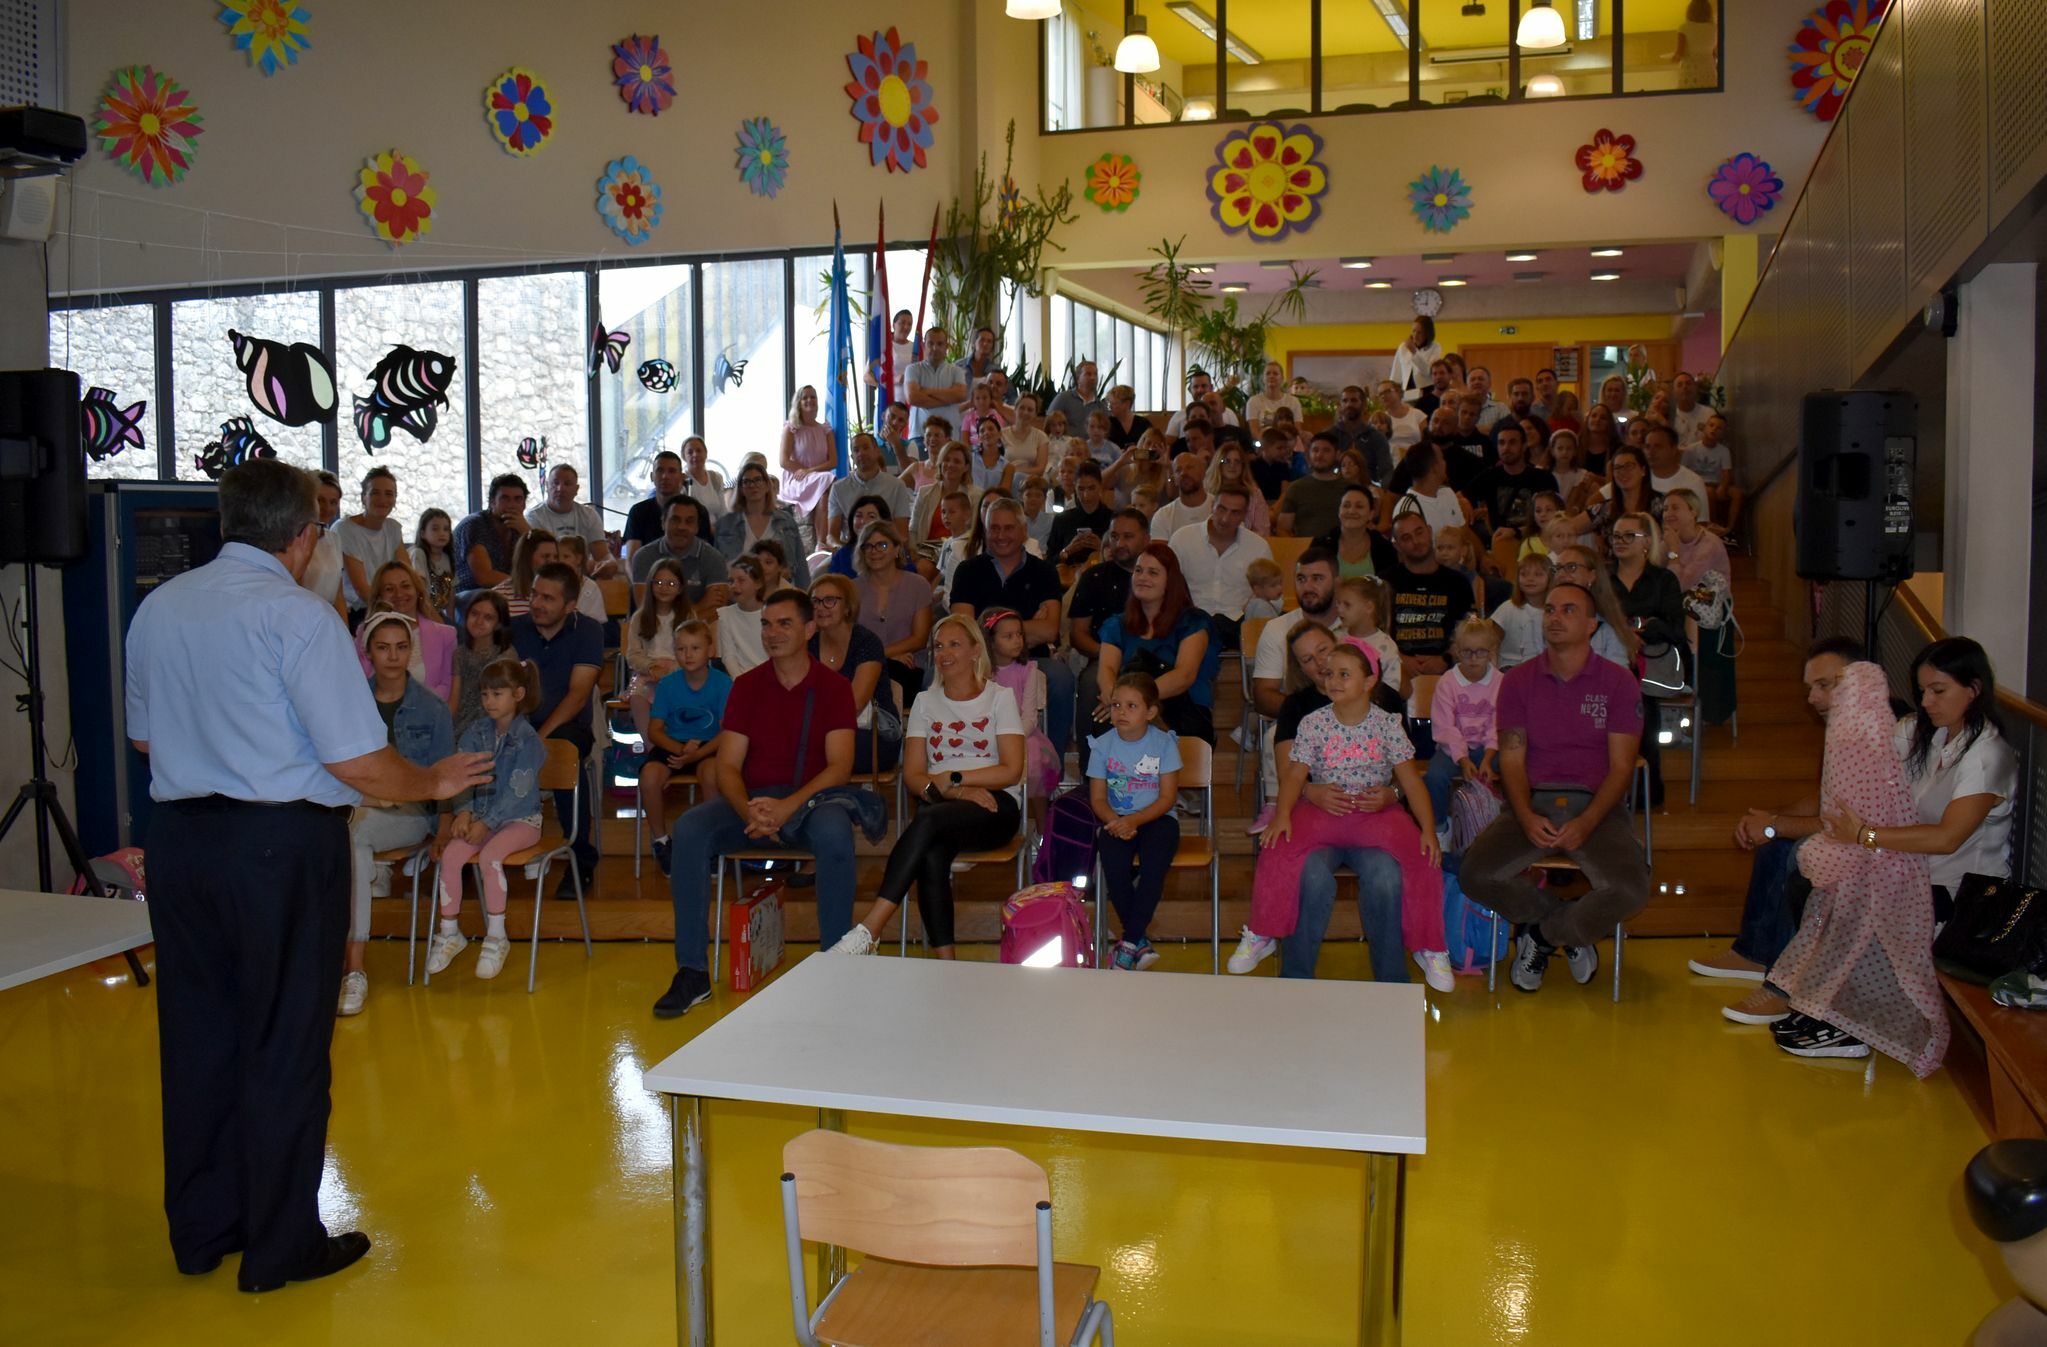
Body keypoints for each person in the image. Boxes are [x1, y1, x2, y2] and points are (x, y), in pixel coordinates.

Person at [125, 458, 490, 1293]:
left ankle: (203, 1229)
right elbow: (359, 760)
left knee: (198, 1039)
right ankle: (281, 1244)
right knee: (285, 1041)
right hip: (278, 847)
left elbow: (146, 741)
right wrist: (432, 782)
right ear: (304, 535)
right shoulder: (297, 617)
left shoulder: (159, 608)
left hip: (181, 841)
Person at [656, 589, 861, 1015]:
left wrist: (788, 808)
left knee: (837, 834)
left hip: (812, 802)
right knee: (690, 828)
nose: (771, 632)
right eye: (766, 623)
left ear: (809, 629)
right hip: (753, 802)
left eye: (784, 623)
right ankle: (692, 972)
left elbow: (839, 767)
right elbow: (728, 764)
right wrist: (748, 807)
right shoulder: (747, 686)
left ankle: (837, 966)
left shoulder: (834, 688)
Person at [1461, 582, 1650, 993]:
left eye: (1568, 610)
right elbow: (1511, 757)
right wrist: (1526, 814)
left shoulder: (1619, 683)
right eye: (1549, 610)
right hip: (1532, 802)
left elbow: (1621, 768)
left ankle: (1547, 936)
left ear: (1592, 624)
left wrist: (1587, 822)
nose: (1555, 617)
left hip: (1596, 807)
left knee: (1632, 890)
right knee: (1474, 875)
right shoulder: (1517, 682)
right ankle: (1564, 924)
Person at [1237, 639, 1451, 989]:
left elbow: (1411, 782)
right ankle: (1263, 932)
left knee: (1425, 855)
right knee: (1276, 846)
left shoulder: (1387, 724)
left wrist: (1427, 829)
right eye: (1329, 673)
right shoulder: (1312, 723)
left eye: (1344, 674)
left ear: (1369, 682)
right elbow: (1295, 773)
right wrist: (1282, 814)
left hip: (1374, 815)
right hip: (1323, 812)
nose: (1333, 680)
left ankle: (1430, 946)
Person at [1767, 661, 1948, 1068]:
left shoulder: (1973, 753)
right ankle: (1827, 1008)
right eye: (1924, 692)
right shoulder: (1899, 734)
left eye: (1938, 691)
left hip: (1933, 872)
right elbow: (1845, 813)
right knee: (1823, 891)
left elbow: (1941, 835)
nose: (1927, 701)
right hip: (1891, 854)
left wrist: (1864, 839)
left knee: (1855, 904)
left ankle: (1844, 1019)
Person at [830, 615, 1026, 958]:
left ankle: (871, 929)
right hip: (943, 803)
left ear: (976, 651)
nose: (944, 653)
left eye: (954, 644)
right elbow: (915, 776)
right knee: (932, 849)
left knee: (929, 821)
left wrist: (955, 779)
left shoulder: (1000, 697)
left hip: (996, 806)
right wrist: (954, 791)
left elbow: (1011, 770)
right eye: (937, 646)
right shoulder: (924, 702)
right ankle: (945, 964)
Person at [1687, 638, 1861, 1018]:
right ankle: (1756, 953)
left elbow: (1848, 822)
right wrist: (1770, 818)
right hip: (1852, 839)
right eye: (1810, 688)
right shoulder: (1844, 732)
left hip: (1875, 848)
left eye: (1824, 686)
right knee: (1777, 843)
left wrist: (1777, 825)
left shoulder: (1880, 735)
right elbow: (1824, 797)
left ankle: (1785, 985)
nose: (1813, 699)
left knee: (1794, 852)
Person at [340, 610, 455, 1016]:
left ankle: (354, 970)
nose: (393, 656)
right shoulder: (350, 704)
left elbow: (444, 780)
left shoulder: (432, 708)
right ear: (369, 653)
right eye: (383, 648)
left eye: (401, 647)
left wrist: (443, 831)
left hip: (409, 813)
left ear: (411, 652)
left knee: (353, 838)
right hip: (354, 805)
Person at [426, 655, 548, 982]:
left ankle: (496, 936)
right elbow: (461, 774)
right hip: (482, 819)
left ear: (518, 695)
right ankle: (450, 931)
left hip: (522, 820)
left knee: (490, 858)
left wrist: (486, 823)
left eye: (497, 694)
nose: (488, 701)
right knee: (451, 856)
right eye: (484, 694)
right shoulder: (475, 732)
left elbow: (517, 793)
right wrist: (464, 811)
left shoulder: (528, 740)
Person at [950, 498, 1074, 758]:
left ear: (1023, 531)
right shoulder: (967, 571)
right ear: (985, 530)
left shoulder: (1044, 572)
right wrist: (1023, 630)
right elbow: (962, 631)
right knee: (933, 679)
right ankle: (954, 763)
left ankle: (1052, 765)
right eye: (994, 528)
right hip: (978, 662)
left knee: (1062, 679)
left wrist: (988, 630)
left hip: (1034, 659)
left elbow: (1050, 631)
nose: (1001, 535)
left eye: (1008, 528)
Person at [510, 564, 603, 893]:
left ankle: (581, 858)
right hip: (517, 722)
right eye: (534, 593)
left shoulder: (588, 630)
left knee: (564, 752)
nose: (536, 603)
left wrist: (538, 738)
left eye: (548, 598)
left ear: (570, 605)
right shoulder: (515, 628)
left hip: (566, 726)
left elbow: (578, 696)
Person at [1088, 672, 1183, 972]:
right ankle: (1137, 943)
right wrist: (1117, 822)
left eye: (1131, 706)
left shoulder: (1164, 743)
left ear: (1150, 712)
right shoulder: (1102, 746)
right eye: (1116, 705)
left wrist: (1135, 821)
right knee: (1114, 868)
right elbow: (1098, 799)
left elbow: (1167, 798)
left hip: (1157, 819)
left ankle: (1128, 942)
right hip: (1116, 820)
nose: (1121, 712)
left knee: (1154, 867)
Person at [1093, 542, 1218, 746]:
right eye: (1139, 571)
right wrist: (1118, 702)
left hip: (1183, 710)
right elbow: (1106, 669)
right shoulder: (1117, 624)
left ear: (1170, 581)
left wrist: (1134, 701)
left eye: (1153, 573)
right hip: (1131, 708)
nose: (1142, 578)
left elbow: (1184, 675)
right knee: (1102, 720)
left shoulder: (1194, 621)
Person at [640, 621, 730, 875]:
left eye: (695, 648)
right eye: (681, 649)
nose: (688, 655)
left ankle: (714, 841)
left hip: (708, 745)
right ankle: (661, 842)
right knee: (649, 778)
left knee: (712, 774)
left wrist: (698, 753)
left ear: (710, 651)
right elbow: (655, 731)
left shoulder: (723, 684)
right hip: (674, 743)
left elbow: (727, 732)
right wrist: (681, 750)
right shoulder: (668, 684)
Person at [809, 573, 900, 775]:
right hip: (820, 732)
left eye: (830, 600)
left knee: (805, 753)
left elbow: (854, 705)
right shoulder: (808, 644)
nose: (820, 607)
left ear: (848, 607)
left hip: (872, 734)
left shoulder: (867, 642)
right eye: (815, 601)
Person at [1423, 617, 1504, 834]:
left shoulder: (1499, 682)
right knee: (1435, 776)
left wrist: (1488, 758)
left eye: (1481, 652)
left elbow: (1496, 724)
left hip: (1487, 749)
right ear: (1457, 650)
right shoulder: (1447, 682)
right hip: (1452, 750)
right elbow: (1445, 728)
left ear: (1492, 651)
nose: (1474, 658)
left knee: (1514, 767)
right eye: (1467, 652)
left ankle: (1503, 825)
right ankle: (1440, 827)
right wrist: (1463, 758)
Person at [1170, 485, 1270, 652]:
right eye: (1221, 509)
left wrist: (1254, 603)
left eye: (1235, 512)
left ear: (1245, 515)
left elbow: (1272, 593)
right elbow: (1168, 585)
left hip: (1237, 623)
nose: (1225, 518)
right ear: (1212, 507)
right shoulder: (1182, 539)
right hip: (1190, 619)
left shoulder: (1258, 547)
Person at [1382, 511, 1476, 683]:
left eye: (1419, 532)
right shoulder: (1385, 582)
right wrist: (1399, 658)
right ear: (1397, 546)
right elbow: (1373, 632)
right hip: (1395, 673)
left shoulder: (1458, 582)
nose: (1416, 541)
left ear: (1429, 531)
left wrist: (1445, 659)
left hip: (1449, 673)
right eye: (1406, 537)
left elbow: (1472, 629)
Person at [852, 519, 934, 708]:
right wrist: (884, 656)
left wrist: (882, 655)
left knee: (891, 677)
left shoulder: (918, 585)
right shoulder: (852, 589)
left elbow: (919, 639)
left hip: (907, 667)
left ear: (897, 550)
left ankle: (890, 732)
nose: (875, 551)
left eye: (882, 545)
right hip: (861, 665)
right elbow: (848, 636)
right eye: (868, 546)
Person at [984, 608, 1060, 802]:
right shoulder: (983, 672)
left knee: (1035, 761)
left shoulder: (1028, 670)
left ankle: (1042, 829)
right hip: (988, 732)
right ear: (991, 642)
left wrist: (1011, 737)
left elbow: (1030, 717)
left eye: (1019, 634)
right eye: (1008, 636)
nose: (1017, 640)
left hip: (1023, 733)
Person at [357, 561, 455, 701]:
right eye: (389, 589)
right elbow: (360, 684)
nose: (399, 594)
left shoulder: (446, 635)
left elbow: (446, 687)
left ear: (418, 591)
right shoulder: (363, 633)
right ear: (379, 597)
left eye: (406, 586)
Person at [716, 460, 812, 588]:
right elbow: (718, 567)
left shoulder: (786, 521)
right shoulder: (726, 523)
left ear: (767, 485)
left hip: (780, 592)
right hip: (739, 593)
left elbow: (800, 565)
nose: (752, 485)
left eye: (758, 480)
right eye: (747, 481)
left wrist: (805, 597)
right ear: (740, 488)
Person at [1467, 423, 1560, 541]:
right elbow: (1462, 497)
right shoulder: (1489, 476)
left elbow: (1557, 518)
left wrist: (1516, 532)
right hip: (1501, 544)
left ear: (1524, 446)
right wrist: (1467, 507)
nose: (1506, 447)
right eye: (1501, 442)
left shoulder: (1543, 478)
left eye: (1512, 442)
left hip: (1537, 541)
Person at [334, 466, 403, 620]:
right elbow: (361, 588)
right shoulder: (344, 529)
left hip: (389, 604)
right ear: (363, 497)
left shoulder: (393, 528)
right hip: (359, 610)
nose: (383, 499)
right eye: (375, 493)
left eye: (389, 494)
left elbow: (405, 573)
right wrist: (391, 614)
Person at [524, 463, 617, 576]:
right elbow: (542, 557)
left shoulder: (589, 515)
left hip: (584, 576)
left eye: (567, 484)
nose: (560, 488)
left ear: (576, 489)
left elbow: (602, 555)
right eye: (555, 483)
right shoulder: (533, 516)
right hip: (548, 576)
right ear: (547, 486)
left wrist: (610, 563)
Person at [827, 432, 913, 545]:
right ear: (852, 457)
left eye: (866, 448)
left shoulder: (897, 486)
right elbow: (832, 536)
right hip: (851, 551)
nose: (861, 453)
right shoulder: (838, 489)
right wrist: (841, 551)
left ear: (877, 451)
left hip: (885, 552)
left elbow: (902, 535)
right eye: (856, 450)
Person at [449, 589, 513, 736]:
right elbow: (455, 699)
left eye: (488, 618)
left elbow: (505, 704)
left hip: (494, 721)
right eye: (474, 614)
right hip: (463, 721)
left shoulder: (505, 655)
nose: (478, 621)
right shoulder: (460, 653)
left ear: (498, 624)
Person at [779, 384, 836, 542]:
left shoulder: (825, 429)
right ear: (798, 402)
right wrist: (805, 472)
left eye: (813, 397)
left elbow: (833, 461)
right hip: (796, 479)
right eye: (805, 397)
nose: (809, 400)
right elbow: (783, 461)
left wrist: (811, 471)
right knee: (825, 480)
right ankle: (822, 541)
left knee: (825, 482)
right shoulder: (791, 428)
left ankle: (823, 542)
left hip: (815, 476)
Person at [454, 474, 528, 592]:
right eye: (505, 498)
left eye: (517, 499)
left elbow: (544, 563)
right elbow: (484, 577)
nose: (511, 505)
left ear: (524, 504)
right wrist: (526, 584)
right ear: (492, 502)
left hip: (506, 592)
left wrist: (528, 533)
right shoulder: (475, 525)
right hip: (469, 594)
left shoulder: (521, 527)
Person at [1278, 430, 1350, 539]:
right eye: (1315, 450)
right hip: (1307, 552)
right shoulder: (1296, 488)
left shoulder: (1350, 489)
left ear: (1337, 454)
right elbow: (1283, 528)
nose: (1319, 455)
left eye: (1326, 451)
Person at [1317, 483, 1395, 581]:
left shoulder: (1384, 549)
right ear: (1339, 511)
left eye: (1359, 506)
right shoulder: (1321, 546)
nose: (1351, 511)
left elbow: (1389, 590)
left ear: (1371, 514)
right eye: (1346, 505)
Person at [1684, 411, 1743, 534]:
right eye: (1711, 425)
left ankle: (1730, 529)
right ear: (1705, 427)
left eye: (1719, 428)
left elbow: (1727, 473)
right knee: (1709, 492)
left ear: (1723, 433)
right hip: (1699, 484)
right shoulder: (1691, 449)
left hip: (1716, 483)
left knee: (1737, 493)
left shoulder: (1724, 451)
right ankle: (1712, 524)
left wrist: (1722, 487)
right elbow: (1683, 471)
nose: (1714, 429)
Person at [905, 327, 969, 439]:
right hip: (919, 435)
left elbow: (961, 395)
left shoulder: (956, 371)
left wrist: (926, 391)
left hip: (949, 436)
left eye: (940, 344)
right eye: (931, 344)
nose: (935, 348)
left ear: (946, 347)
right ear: (923, 345)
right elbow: (913, 398)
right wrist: (949, 398)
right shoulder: (912, 369)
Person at [1491, 553, 1552, 670]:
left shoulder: (1554, 611)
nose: (1530, 579)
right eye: (1524, 574)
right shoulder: (1508, 608)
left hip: (1544, 668)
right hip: (1510, 667)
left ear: (1550, 578)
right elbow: (1492, 644)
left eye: (1538, 574)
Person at [623, 449, 687, 560]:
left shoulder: (696, 512)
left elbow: (703, 558)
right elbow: (632, 560)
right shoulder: (638, 512)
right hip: (646, 574)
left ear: (682, 477)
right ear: (652, 476)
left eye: (671, 471)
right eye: (660, 470)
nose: (665, 476)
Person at [713, 555, 768, 678]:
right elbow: (729, 655)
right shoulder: (725, 616)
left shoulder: (771, 614)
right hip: (739, 680)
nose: (734, 586)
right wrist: (739, 681)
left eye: (741, 580)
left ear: (758, 583)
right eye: (731, 581)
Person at [407, 507, 458, 622]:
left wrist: (451, 621)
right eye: (435, 529)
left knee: (458, 634)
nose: (442, 533)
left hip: (437, 612)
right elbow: (421, 590)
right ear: (423, 533)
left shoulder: (447, 558)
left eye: (446, 529)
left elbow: (451, 594)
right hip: (419, 612)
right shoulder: (418, 554)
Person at [1165, 369, 1239, 438]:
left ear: (1211, 387)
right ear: (1190, 390)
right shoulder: (1179, 416)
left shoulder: (1229, 413)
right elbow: (1168, 445)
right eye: (1195, 387)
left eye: (1204, 386)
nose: (1200, 390)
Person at [1387, 316, 1443, 398]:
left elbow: (1427, 371)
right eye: (1413, 331)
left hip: (1426, 391)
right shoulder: (1403, 347)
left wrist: (1414, 352)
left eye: (1419, 332)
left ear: (1427, 333)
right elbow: (1395, 374)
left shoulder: (1435, 347)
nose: (1415, 336)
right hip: (1407, 392)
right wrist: (1391, 391)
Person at [1003, 391, 1052, 479]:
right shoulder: (1002, 434)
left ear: (1035, 414)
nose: (1025, 412)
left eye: (1030, 410)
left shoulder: (1041, 437)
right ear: (1015, 409)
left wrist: (1016, 472)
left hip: (1030, 482)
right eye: (1022, 408)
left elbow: (1040, 469)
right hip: (1005, 478)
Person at [1244, 360, 1302, 429]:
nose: (1271, 376)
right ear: (1263, 378)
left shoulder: (1294, 402)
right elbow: (1255, 432)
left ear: (1282, 378)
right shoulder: (1253, 401)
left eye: (1275, 373)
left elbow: (1297, 429)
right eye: (1268, 373)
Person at [1102, 383, 1147, 449]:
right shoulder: (1107, 423)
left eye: (1114, 403)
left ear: (1127, 404)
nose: (1110, 407)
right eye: (1110, 404)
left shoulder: (1143, 424)